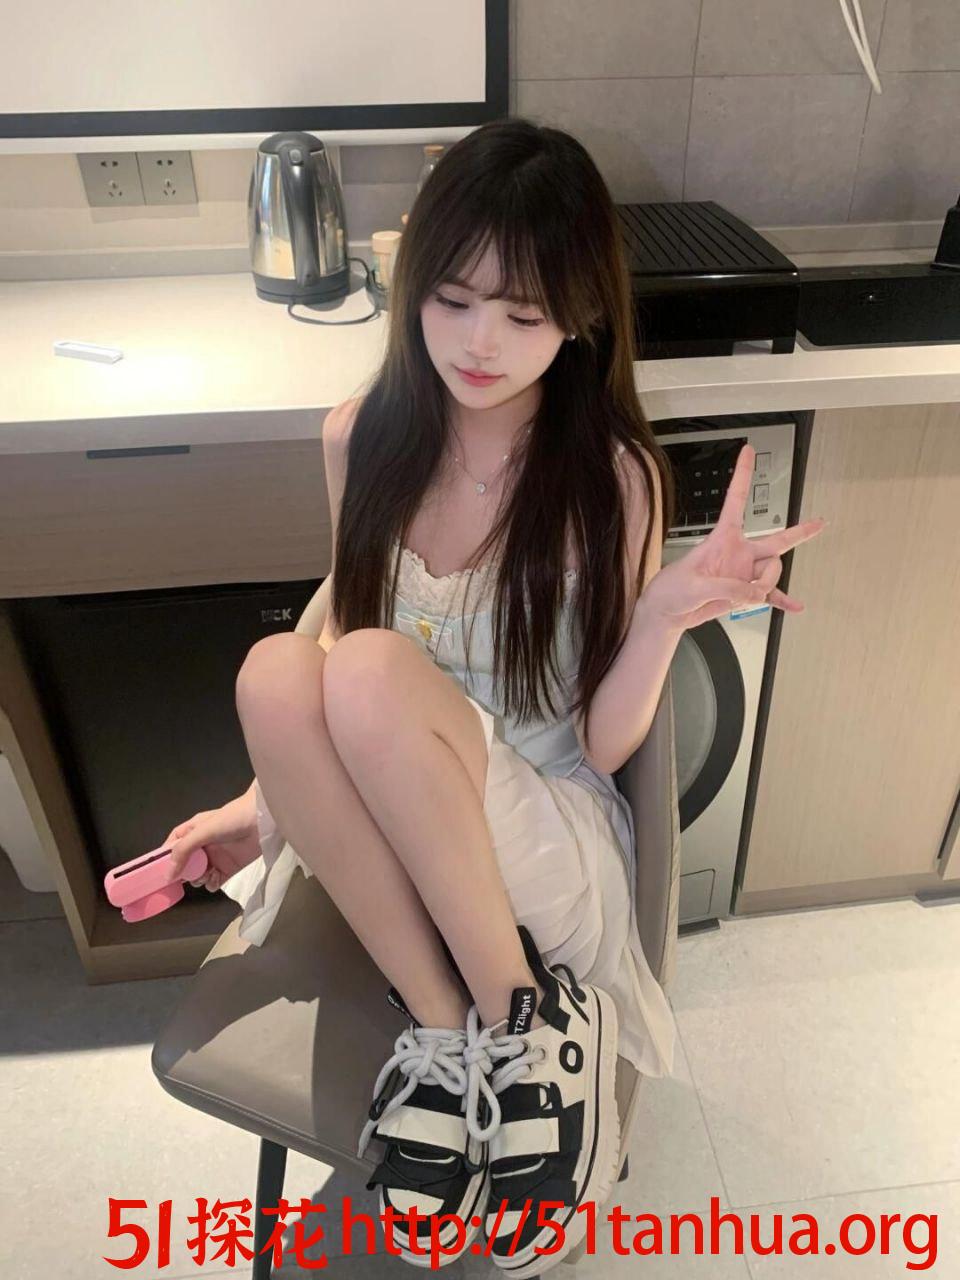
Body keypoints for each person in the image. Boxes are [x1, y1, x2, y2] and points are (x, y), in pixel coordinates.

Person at [163, 117, 826, 1275]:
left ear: (579, 318)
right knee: (280, 664)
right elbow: (338, 625)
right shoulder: (361, 437)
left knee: (367, 673)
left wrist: (666, 613)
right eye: (454, 299)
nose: (480, 343)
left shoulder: (610, 479)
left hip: (536, 827)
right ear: (414, 285)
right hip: (391, 811)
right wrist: (253, 808)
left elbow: (599, 743)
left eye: (523, 315)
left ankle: (530, 1025)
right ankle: (452, 1031)